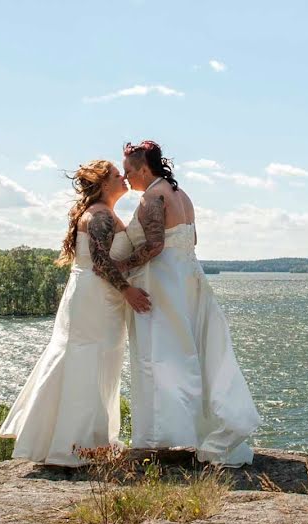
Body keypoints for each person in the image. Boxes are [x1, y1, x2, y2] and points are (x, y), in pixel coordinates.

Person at [110, 140, 261, 467]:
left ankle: (162, 437)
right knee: (194, 351)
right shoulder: (181, 195)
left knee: (161, 357)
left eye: (129, 171)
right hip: (188, 278)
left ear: (144, 168)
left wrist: (122, 267)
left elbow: (154, 246)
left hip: (163, 283)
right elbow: (191, 240)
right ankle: (192, 431)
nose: (127, 179)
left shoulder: (152, 197)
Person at [0, 160, 150, 466]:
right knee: (89, 362)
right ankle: (79, 443)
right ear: (104, 183)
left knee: (93, 361)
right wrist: (128, 291)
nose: (123, 179)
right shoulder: (100, 217)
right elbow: (101, 262)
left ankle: (85, 440)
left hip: (93, 295)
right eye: (117, 175)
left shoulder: (100, 212)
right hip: (97, 296)